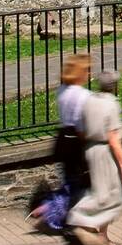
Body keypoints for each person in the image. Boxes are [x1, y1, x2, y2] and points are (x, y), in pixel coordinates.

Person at [65, 70, 122, 245]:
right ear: (115, 86)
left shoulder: (90, 100)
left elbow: (81, 129)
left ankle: (102, 236)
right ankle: (80, 218)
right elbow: (113, 137)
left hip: (90, 148)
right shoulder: (111, 104)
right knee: (114, 193)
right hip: (105, 152)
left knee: (102, 191)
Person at [28, 52, 92, 233]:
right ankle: (48, 211)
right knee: (78, 184)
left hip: (63, 138)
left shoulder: (62, 90)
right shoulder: (82, 95)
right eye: (86, 70)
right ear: (80, 72)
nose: (88, 74)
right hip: (76, 140)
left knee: (70, 180)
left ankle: (56, 212)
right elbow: (81, 123)